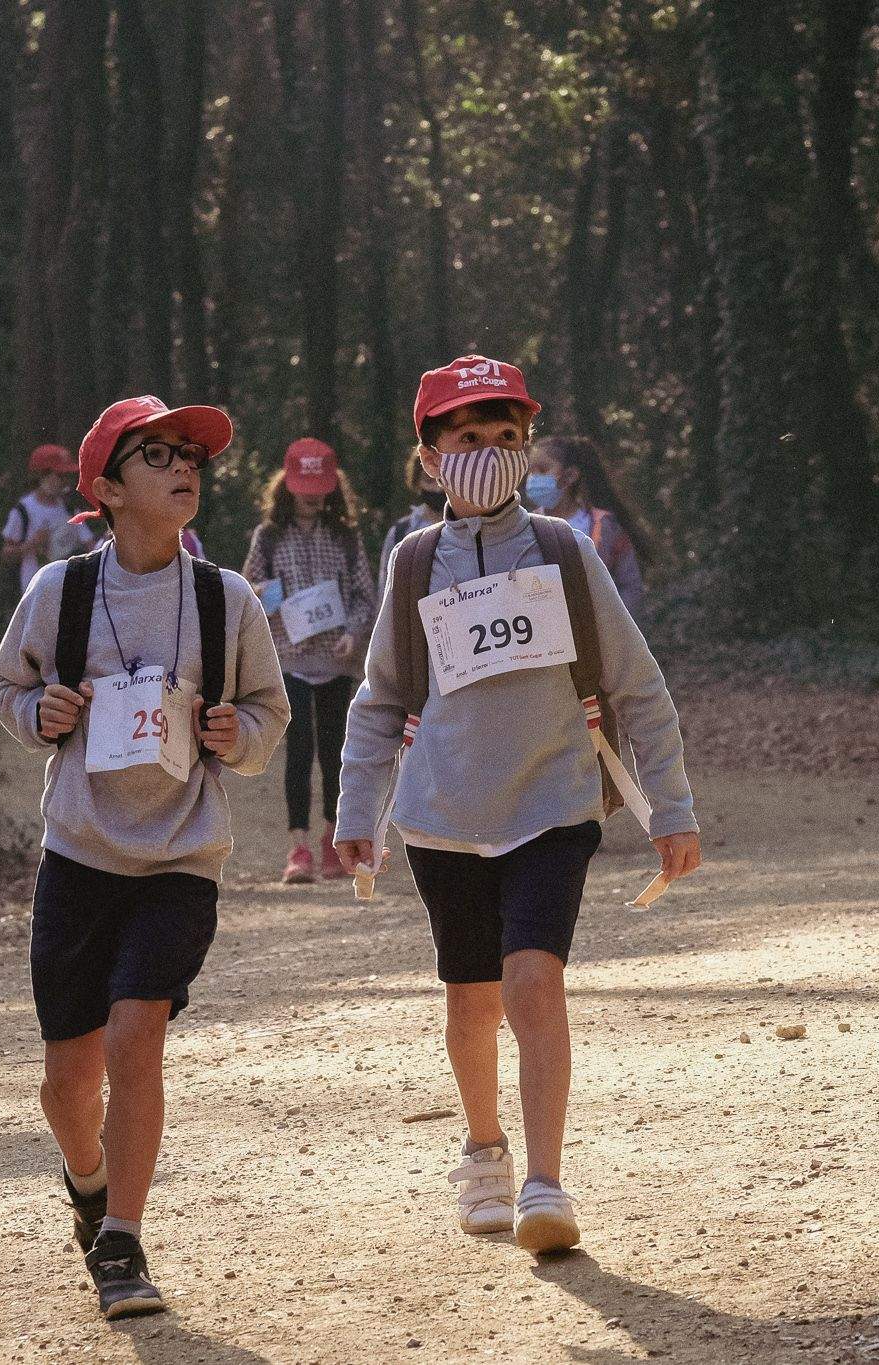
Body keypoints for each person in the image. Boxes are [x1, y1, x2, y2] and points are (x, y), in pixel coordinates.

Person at [333, 355, 701, 1254]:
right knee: (470, 1000)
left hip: (553, 801)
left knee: (535, 980)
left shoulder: (566, 551)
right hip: (442, 814)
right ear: (428, 457)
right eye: (467, 438)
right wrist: (354, 810)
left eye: (507, 437)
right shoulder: (414, 563)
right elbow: (380, 697)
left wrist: (672, 806)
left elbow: (637, 682)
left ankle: (545, 1179)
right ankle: (485, 1150)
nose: (490, 453)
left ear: (528, 449)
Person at [0, 395, 287, 1320]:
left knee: (136, 1034)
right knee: (69, 1077)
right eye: (156, 455)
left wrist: (237, 734)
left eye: (191, 455)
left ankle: (122, 1237)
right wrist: (37, 714)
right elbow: (11, 683)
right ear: (109, 489)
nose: (182, 467)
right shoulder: (61, 592)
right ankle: (86, 1180)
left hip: (180, 856)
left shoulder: (224, 598)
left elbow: (268, 719)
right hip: (79, 854)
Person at [242, 438, 377, 883]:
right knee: (298, 750)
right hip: (291, 658)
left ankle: (333, 837)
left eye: (320, 487)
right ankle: (297, 846)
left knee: (336, 750)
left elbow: (365, 594)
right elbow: (250, 591)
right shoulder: (268, 536)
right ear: (287, 485)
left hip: (336, 660)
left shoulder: (345, 535)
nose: (312, 496)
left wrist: (355, 632)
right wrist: (280, 598)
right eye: (304, 486)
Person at [526, 435, 649, 615]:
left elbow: (630, 587)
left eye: (543, 470)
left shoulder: (605, 525)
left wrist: (611, 627)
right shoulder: (527, 526)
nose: (533, 479)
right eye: (531, 471)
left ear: (570, 476)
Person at [2, 443, 98, 593]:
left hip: (67, 588)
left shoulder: (69, 510)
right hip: (34, 590)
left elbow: (90, 545)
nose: (64, 482)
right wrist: (31, 544)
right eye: (60, 476)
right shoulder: (23, 511)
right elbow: (7, 553)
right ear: (42, 475)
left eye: (66, 476)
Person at [382, 448, 447, 589]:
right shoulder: (401, 532)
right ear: (417, 482)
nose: (437, 488)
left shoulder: (472, 529)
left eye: (442, 480)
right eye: (429, 480)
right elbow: (387, 589)